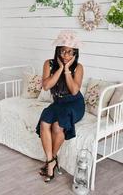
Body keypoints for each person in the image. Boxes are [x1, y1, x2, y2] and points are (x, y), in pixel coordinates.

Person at [36, 30, 85, 182]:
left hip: (74, 104)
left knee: (58, 126)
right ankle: (51, 161)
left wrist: (67, 70)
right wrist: (59, 69)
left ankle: (50, 162)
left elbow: (75, 90)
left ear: (75, 54)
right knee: (45, 122)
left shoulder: (78, 67)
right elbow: (46, 86)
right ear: (58, 51)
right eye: (63, 51)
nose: (66, 55)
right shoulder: (48, 64)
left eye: (70, 52)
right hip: (58, 102)